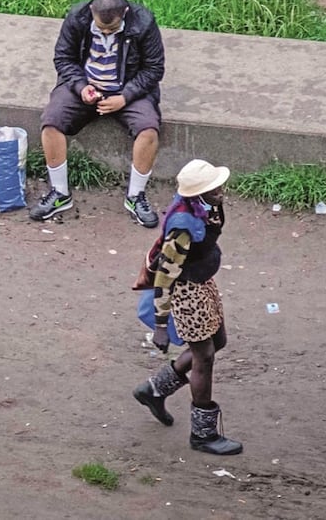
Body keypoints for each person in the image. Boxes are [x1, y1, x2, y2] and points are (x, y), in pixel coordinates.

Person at [132, 159, 242, 455]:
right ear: (198, 194)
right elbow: (165, 275)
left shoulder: (203, 206)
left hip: (201, 282)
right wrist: (160, 324)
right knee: (204, 357)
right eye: (213, 188)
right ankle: (203, 434)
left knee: (217, 341)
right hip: (186, 292)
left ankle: (154, 390)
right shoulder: (182, 227)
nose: (220, 190)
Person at [29, 0, 165, 228]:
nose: (105, 33)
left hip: (128, 88)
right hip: (84, 85)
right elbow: (63, 59)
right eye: (101, 28)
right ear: (91, 10)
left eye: (111, 30)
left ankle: (135, 196)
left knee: (149, 130)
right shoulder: (76, 18)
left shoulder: (144, 23)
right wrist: (82, 87)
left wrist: (125, 97)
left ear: (125, 13)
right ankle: (59, 193)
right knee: (51, 122)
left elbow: (154, 69)